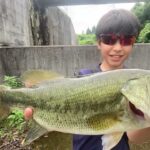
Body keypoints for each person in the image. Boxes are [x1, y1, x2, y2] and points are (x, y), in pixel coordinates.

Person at [24, 9, 150, 150]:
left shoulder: (136, 87)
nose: (118, 48)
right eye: (109, 40)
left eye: (126, 40)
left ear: (133, 44)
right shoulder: (83, 75)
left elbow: (135, 137)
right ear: (98, 43)